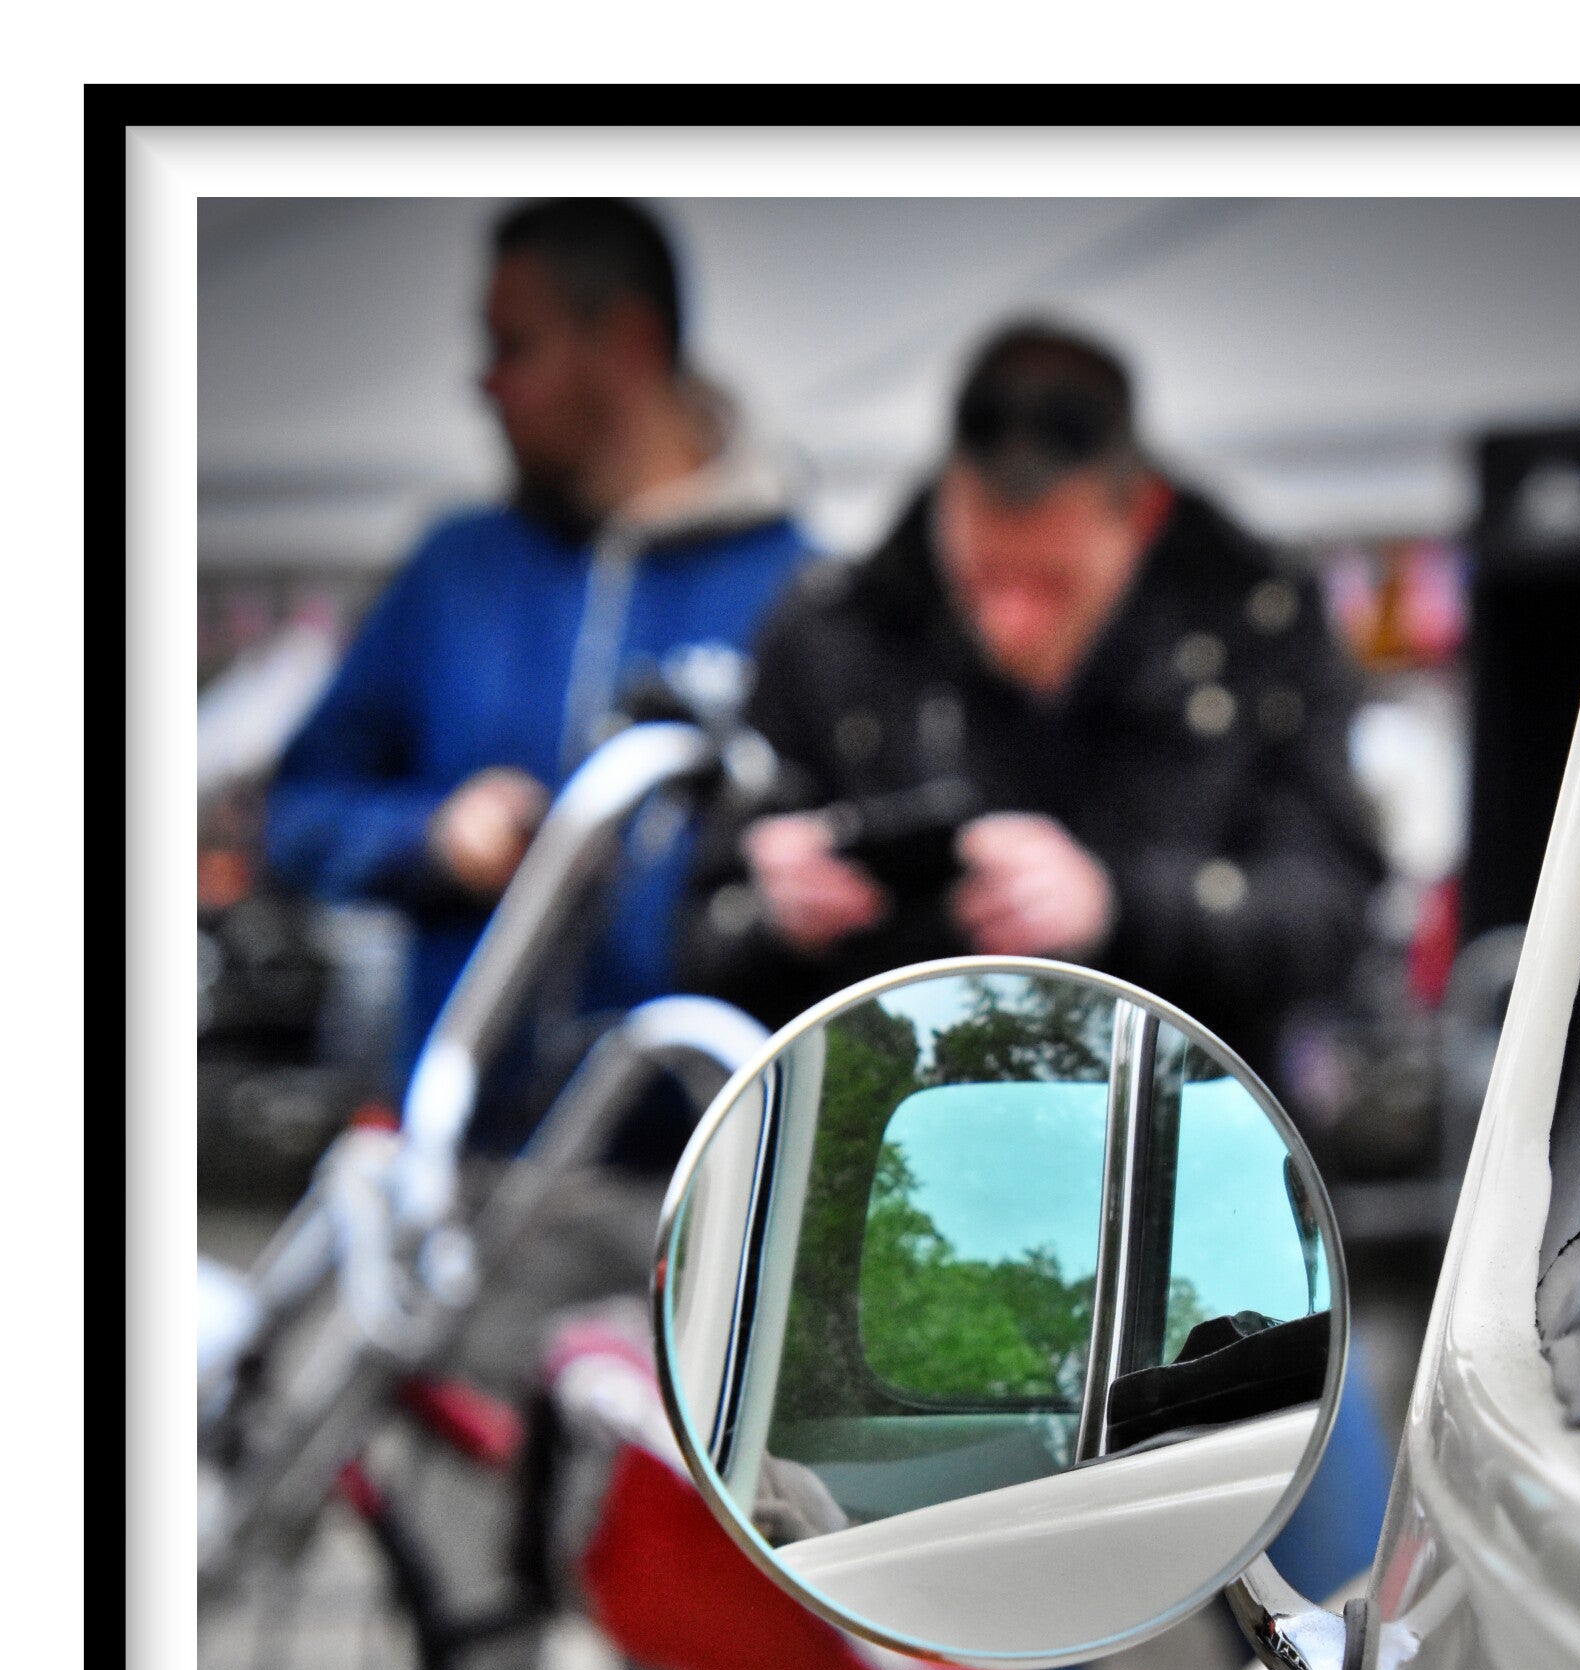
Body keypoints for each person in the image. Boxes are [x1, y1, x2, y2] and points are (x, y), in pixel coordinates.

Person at [677, 320, 1385, 1097]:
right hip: (902, 1129)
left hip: (1187, 1127)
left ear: (1142, 516)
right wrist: (780, 917)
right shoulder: (834, 631)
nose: (1009, 624)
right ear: (946, 502)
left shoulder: (1261, 629)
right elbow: (700, 938)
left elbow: (1335, 915)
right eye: (982, 577)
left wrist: (1120, 906)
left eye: (1050, 583)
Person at [264, 198, 812, 1108]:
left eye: (514, 348)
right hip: (468, 1148)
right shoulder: (457, 573)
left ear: (628, 342)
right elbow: (295, 816)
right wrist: (432, 837)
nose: (485, 385)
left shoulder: (797, 589)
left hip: (701, 1147)